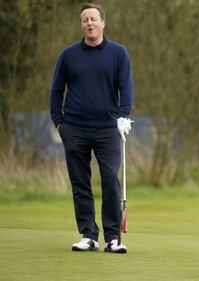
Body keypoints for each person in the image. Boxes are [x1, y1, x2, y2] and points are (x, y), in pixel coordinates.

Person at [50, 2, 134, 254]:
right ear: (82, 25)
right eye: (85, 20)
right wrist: (59, 123)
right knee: (80, 182)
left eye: (93, 19)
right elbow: (56, 91)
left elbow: (126, 88)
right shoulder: (68, 55)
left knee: (110, 179)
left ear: (102, 23)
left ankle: (112, 237)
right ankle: (88, 235)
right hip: (74, 128)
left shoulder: (119, 53)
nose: (89, 23)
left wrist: (123, 116)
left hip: (108, 129)